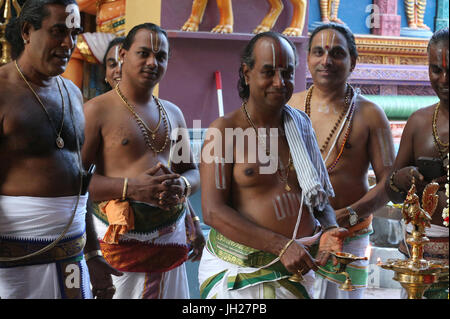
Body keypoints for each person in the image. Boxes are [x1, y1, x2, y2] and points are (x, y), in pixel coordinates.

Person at [198, 31, 349, 299]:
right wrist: (281, 246)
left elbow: (319, 195)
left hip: (297, 271)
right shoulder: (222, 130)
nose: (280, 82)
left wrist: (330, 227)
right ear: (247, 73)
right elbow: (213, 212)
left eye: (288, 73)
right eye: (268, 72)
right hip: (241, 273)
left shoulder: (300, 124)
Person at [0, 0, 121, 299]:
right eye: (57, 32)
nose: (68, 43)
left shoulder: (71, 92)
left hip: (72, 258)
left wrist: (93, 254)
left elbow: (80, 182)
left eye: (75, 33)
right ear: (27, 31)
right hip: (13, 266)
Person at [82, 23, 205, 299]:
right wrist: (131, 187)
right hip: (119, 243)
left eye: (161, 57)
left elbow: (191, 171)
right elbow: (75, 183)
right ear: (123, 54)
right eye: (144, 53)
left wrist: (182, 185)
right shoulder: (96, 111)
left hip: (169, 239)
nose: (153, 62)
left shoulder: (174, 113)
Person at [288, 23, 395, 299]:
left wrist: (346, 216)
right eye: (318, 52)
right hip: (296, 236)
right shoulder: (289, 106)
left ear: (353, 61)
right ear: (307, 59)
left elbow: (390, 184)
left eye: (337, 53)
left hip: (348, 237)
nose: (326, 60)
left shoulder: (370, 114)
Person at [385, 27, 448, 299]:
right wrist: (403, 178)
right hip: (419, 258)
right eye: (436, 69)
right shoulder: (419, 122)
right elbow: (391, 189)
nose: (444, 78)